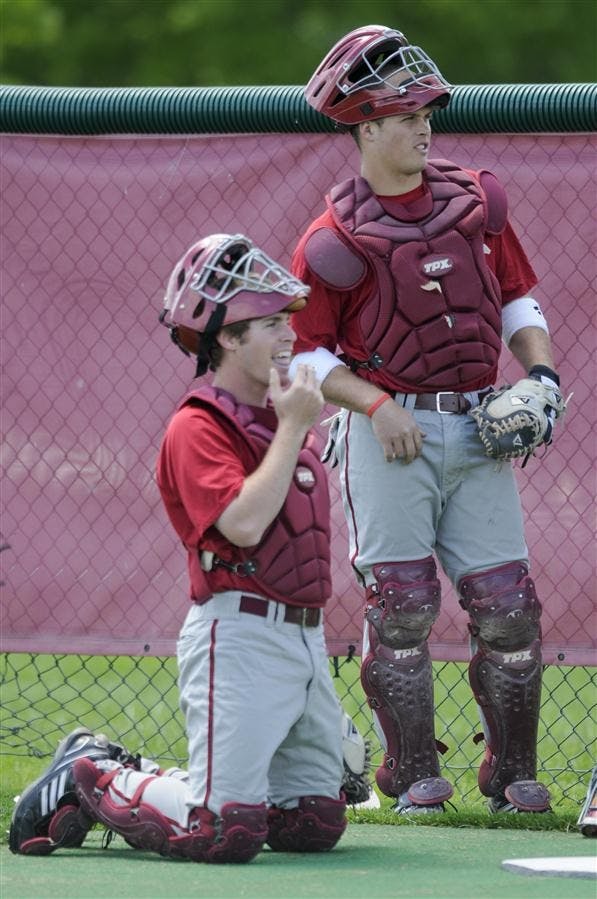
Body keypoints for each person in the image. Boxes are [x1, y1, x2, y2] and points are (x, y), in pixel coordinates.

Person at [289, 25, 566, 815]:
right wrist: (371, 404)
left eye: (424, 113)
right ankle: (409, 773)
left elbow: (516, 298)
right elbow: (303, 358)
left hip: (478, 421)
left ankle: (510, 773)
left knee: (508, 607)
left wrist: (539, 372)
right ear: (364, 128)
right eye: (403, 115)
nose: (422, 126)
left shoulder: (474, 201)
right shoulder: (330, 240)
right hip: (388, 435)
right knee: (402, 605)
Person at [9, 234, 354, 862]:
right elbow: (244, 526)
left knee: (312, 825)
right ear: (225, 337)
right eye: (270, 322)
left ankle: (178, 781)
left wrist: (295, 422)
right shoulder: (197, 425)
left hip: (304, 638)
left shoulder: (279, 417)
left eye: (287, 320)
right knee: (224, 832)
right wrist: (298, 424)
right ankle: (96, 774)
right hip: (238, 636)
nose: (287, 335)